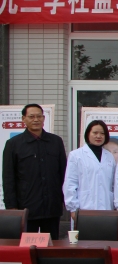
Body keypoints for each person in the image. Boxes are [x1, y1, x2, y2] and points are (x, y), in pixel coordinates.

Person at [2, 103, 67, 240]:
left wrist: (64, 200)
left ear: (44, 118)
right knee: (27, 246)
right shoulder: (13, 144)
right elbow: (8, 177)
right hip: (26, 206)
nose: (36, 120)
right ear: (24, 119)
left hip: (51, 206)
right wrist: (11, 206)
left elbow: (64, 173)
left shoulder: (56, 141)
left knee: (52, 245)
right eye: (31, 117)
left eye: (39, 116)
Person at [63, 120, 116, 223]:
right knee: (86, 233)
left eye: (102, 133)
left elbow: (113, 184)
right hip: (84, 206)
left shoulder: (109, 156)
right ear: (88, 134)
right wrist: (73, 208)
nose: (98, 136)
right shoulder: (76, 155)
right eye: (95, 133)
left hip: (106, 207)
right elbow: (70, 183)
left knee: (105, 232)